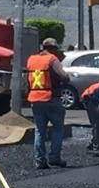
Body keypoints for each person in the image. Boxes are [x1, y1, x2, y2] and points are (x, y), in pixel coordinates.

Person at [26, 37, 69, 169]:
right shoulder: (52, 59)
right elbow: (64, 77)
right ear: (53, 49)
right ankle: (54, 157)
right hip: (51, 97)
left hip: (35, 97)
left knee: (39, 130)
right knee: (57, 128)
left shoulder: (31, 59)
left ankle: (39, 160)